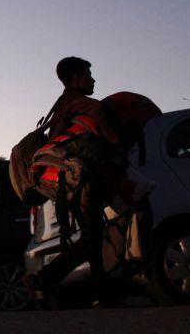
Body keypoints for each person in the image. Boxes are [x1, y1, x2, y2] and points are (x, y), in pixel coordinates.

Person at [22, 57, 125, 307]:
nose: (93, 79)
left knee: (92, 236)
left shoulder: (60, 108)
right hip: (87, 181)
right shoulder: (89, 106)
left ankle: (103, 293)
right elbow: (113, 141)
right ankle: (42, 280)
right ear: (77, 77)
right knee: (91, 238)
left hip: (67, 184)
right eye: (89, 73)